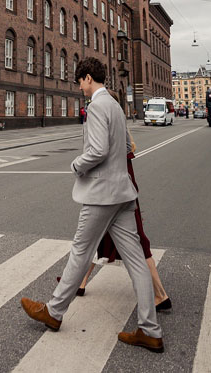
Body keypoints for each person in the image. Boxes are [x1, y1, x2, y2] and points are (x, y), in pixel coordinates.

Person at [21, 57, 163, 353]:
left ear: (87, 78)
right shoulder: (115, 105)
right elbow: (125, 148)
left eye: (80, 82)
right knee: (136, 260)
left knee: (80, 251)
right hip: (123, 193)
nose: (80, 88)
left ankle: (54, 311)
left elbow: (97, 150)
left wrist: (76, 165)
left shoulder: (98, 106)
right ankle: (149, 330)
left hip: (102, 194)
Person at [71, 124, 172, 311]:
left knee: (136, 240)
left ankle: (159, 294)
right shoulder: (115, 123)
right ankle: (81, 282)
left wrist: (82, 165)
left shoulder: (107, 122)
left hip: (116, 190)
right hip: (119, 187)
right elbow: (126, 147)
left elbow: (105, 152)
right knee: (98, 236)